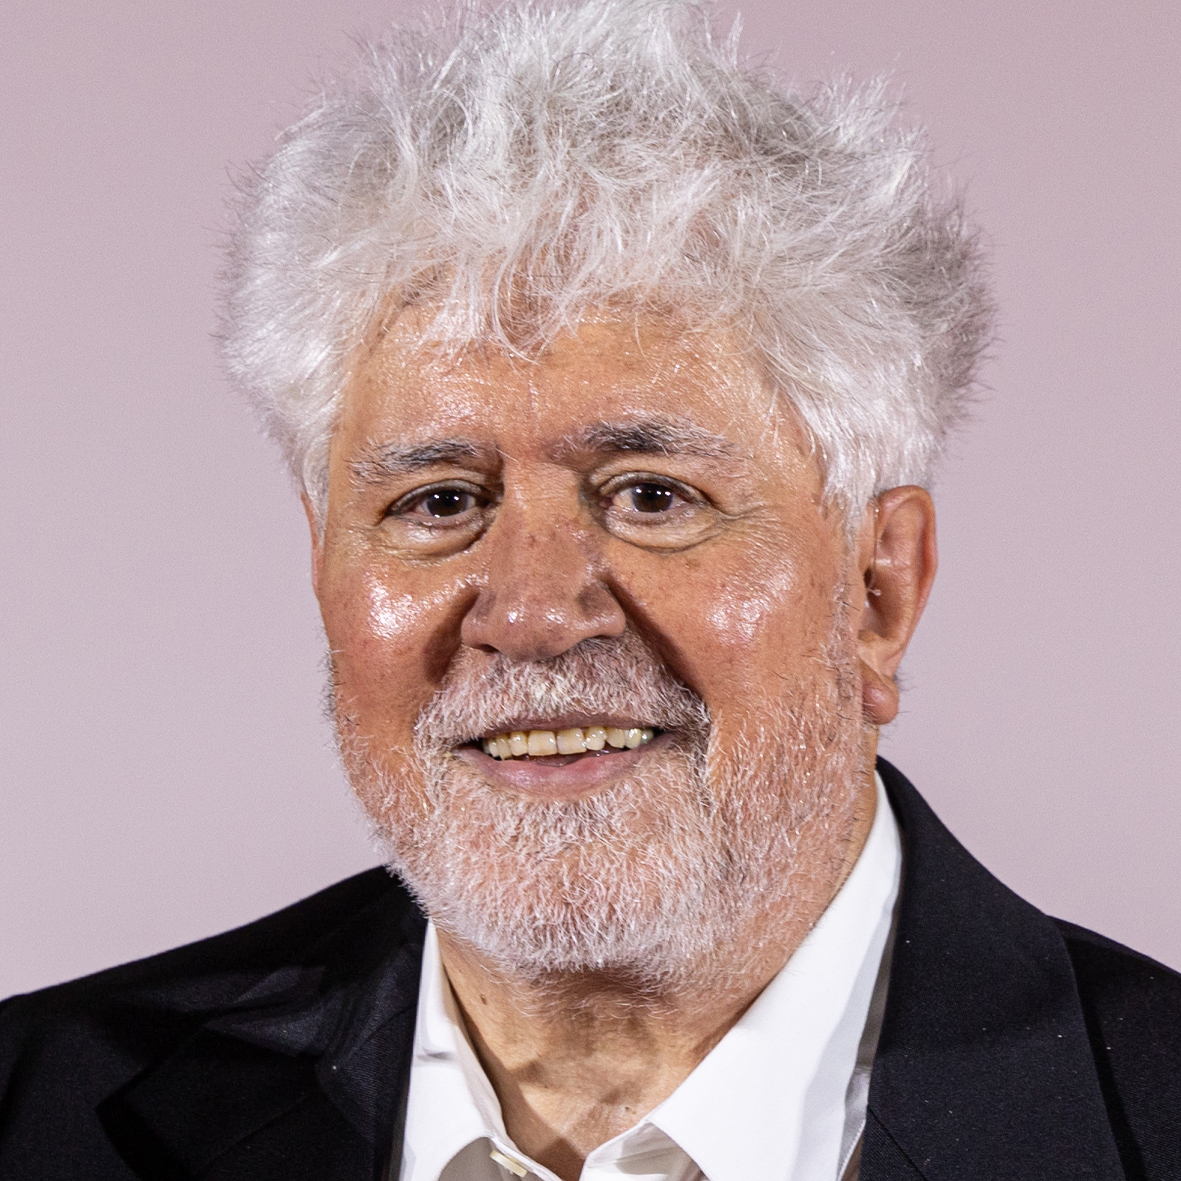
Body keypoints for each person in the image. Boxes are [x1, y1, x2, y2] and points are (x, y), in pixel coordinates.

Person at [1, 1, 1178, 1178]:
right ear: (324, 568)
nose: (530, 612)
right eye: (439, 502)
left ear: (878, 588)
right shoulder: (32, 1109)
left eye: (650, 495)